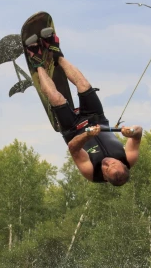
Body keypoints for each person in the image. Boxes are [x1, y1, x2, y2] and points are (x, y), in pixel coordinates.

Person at [25, 29, 142, 186]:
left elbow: (73, 148)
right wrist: (132, 131)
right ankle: (55, 53)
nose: (106, 163)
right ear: (124, 166)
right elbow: (139, 133)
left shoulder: (91, 172)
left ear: (105, 177)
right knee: (84, 85)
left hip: (73, 130)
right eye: (112, 164)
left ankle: (37, 62)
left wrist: (86, 136)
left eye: (106, 169)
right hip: (96, 118)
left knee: (56, 98)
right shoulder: (129, 158)